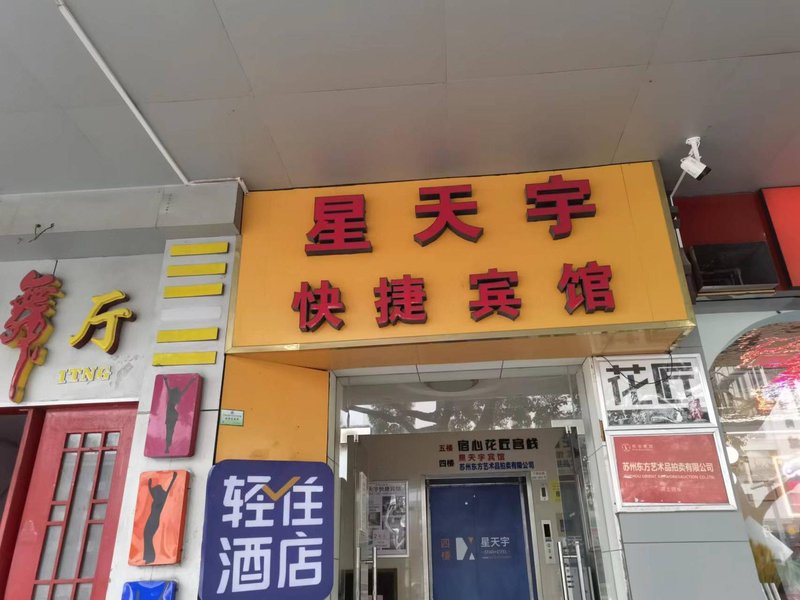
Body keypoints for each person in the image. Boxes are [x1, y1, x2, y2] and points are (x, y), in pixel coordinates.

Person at [142, 471, 177, 564]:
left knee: (148, 536)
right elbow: (151, 491)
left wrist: (174, 478)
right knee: (146, 536)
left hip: (154, 520)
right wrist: (149, 484)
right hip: (151, 519)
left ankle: (150, 557)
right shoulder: (157, 497)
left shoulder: (162, 497)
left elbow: (169, 487)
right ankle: (148, 557)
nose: (154, 492)